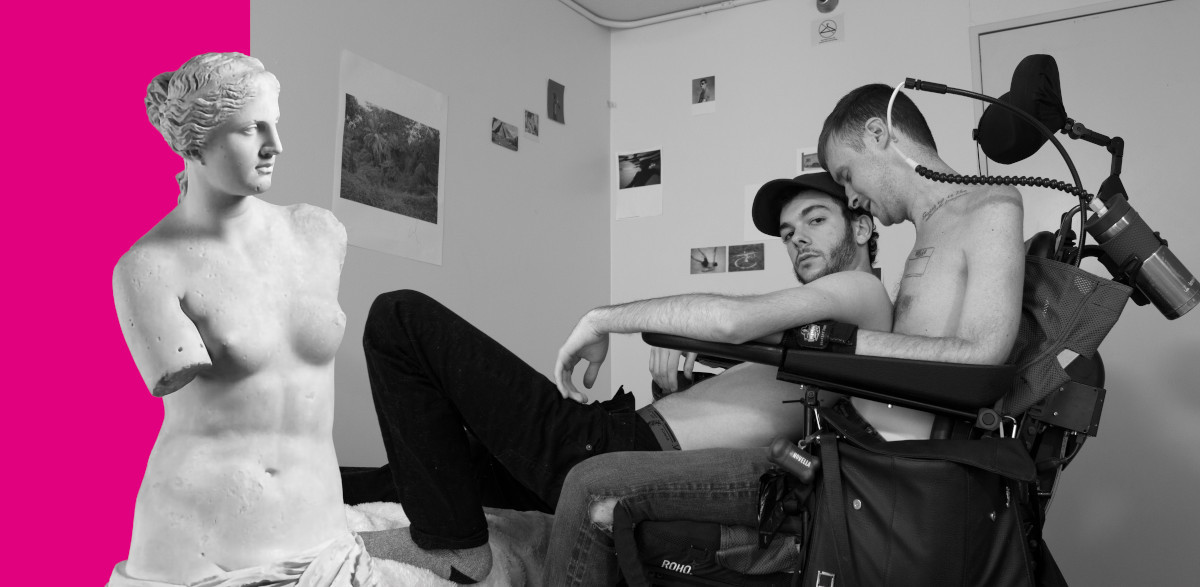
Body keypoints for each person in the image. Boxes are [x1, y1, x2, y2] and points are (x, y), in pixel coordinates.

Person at [544, 82, 1026, 585]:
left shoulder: (988, 208)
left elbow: (981, 359)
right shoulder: (928, 234)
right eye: (789, 233)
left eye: (846, 176)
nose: (853, 193)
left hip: (877, 475)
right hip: (840, 454)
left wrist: (834, 342)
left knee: (590, 484)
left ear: (880, 135)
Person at [343, 171, 892, 584]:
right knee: (435, 462)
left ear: (863, 225)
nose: (796, 239)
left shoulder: (861, 293)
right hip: (629, 428)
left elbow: (729, 320)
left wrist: (602, 318)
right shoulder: (819, 329)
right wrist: (682, 391)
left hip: (620, 447)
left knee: (401, 319)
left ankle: (453, 546)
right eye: (788, 231)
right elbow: (762, 401)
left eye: (816, 220)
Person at [109, 53, 375, 586]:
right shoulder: (149, 266)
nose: (276, 145)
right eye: (253, 128)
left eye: (276, 124)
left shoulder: (319, 234)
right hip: (198, 547)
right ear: (195, 141)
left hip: (322, 536)